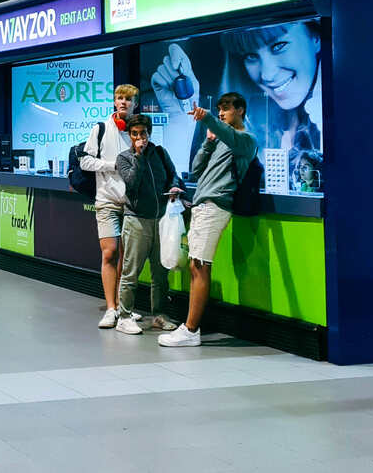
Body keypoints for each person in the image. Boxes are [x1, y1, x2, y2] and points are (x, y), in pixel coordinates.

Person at [151, 19, 322, 193]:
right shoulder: (257, 129)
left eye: (279, 46)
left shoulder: (247, 139)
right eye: (251, 56)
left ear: (316, 37)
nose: (267, 74)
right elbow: (194, 174)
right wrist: (179, 121)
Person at [160, 92, 257, 348]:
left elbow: (231, 135)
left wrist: (208, 119)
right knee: (195, 266)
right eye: (219, 109)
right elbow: (196, 169)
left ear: (241, 110)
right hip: (202, 206)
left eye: (226, 108)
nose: (222, 112)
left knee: (201, 266)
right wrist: (208, 142)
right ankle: (189, 328)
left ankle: (191, 330)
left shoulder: (246, 141)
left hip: (216, 207)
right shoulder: (220, 142)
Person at [112, 114, 185, 335]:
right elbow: (132, 183)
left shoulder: (160, 153)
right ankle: (124, 316)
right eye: (135, 134)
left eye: (143, 133)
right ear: (129, 135)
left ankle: (160, 315)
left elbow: (174, 175)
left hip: (161, 220)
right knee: (131, 272)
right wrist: (139, 157)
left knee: (160, 273)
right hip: (136, 220)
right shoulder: (124, 158)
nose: (139, 137)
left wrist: (173, 187)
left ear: (149, 133)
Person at [78, 83, 136, 328]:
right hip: (106, 201)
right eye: (120, 98)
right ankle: (110, 309)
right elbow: (85, 161)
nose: (123, 102)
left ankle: (124, 308)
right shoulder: (100, 128)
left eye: (128, 99)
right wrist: (112, 165)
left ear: (134, 103)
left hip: (133, 203)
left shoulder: (138, 130)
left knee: (127, 257)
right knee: (110, 252)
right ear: (114, 101)